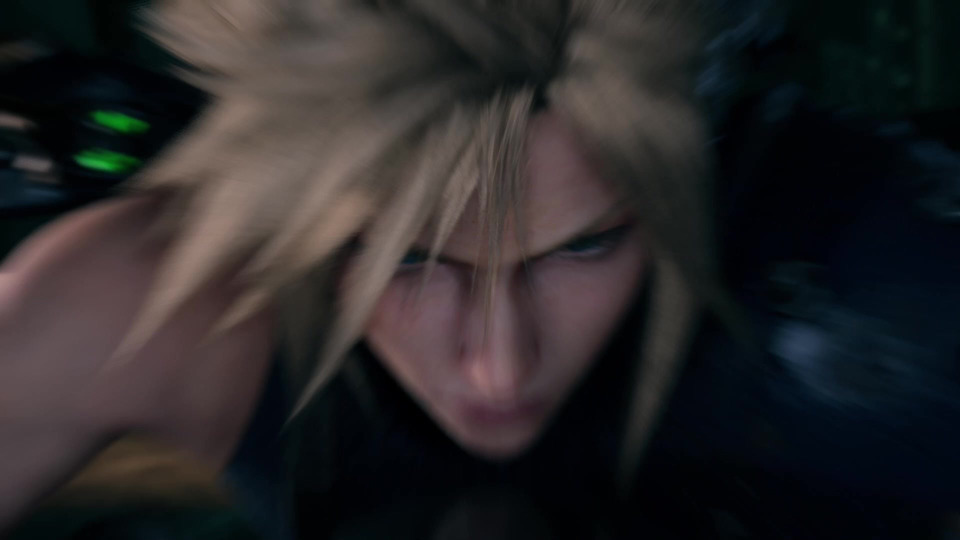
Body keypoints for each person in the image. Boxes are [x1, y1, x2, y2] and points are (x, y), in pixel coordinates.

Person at [1, 1, 958, 539]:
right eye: (405, 257)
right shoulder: (154, 293)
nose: (498, 369)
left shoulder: (891, 280)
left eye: (584, 245)